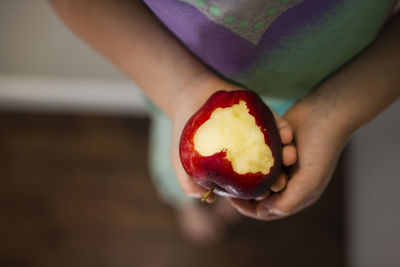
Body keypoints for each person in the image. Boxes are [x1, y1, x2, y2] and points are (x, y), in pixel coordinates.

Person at [49, 0, 400, 242]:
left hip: (323, 87)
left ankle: (211, 199)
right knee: (183, 177)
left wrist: (335, 112)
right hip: (181, 88)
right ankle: (188, 204)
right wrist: (182, 88)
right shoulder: (189, 104)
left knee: (263, 176)